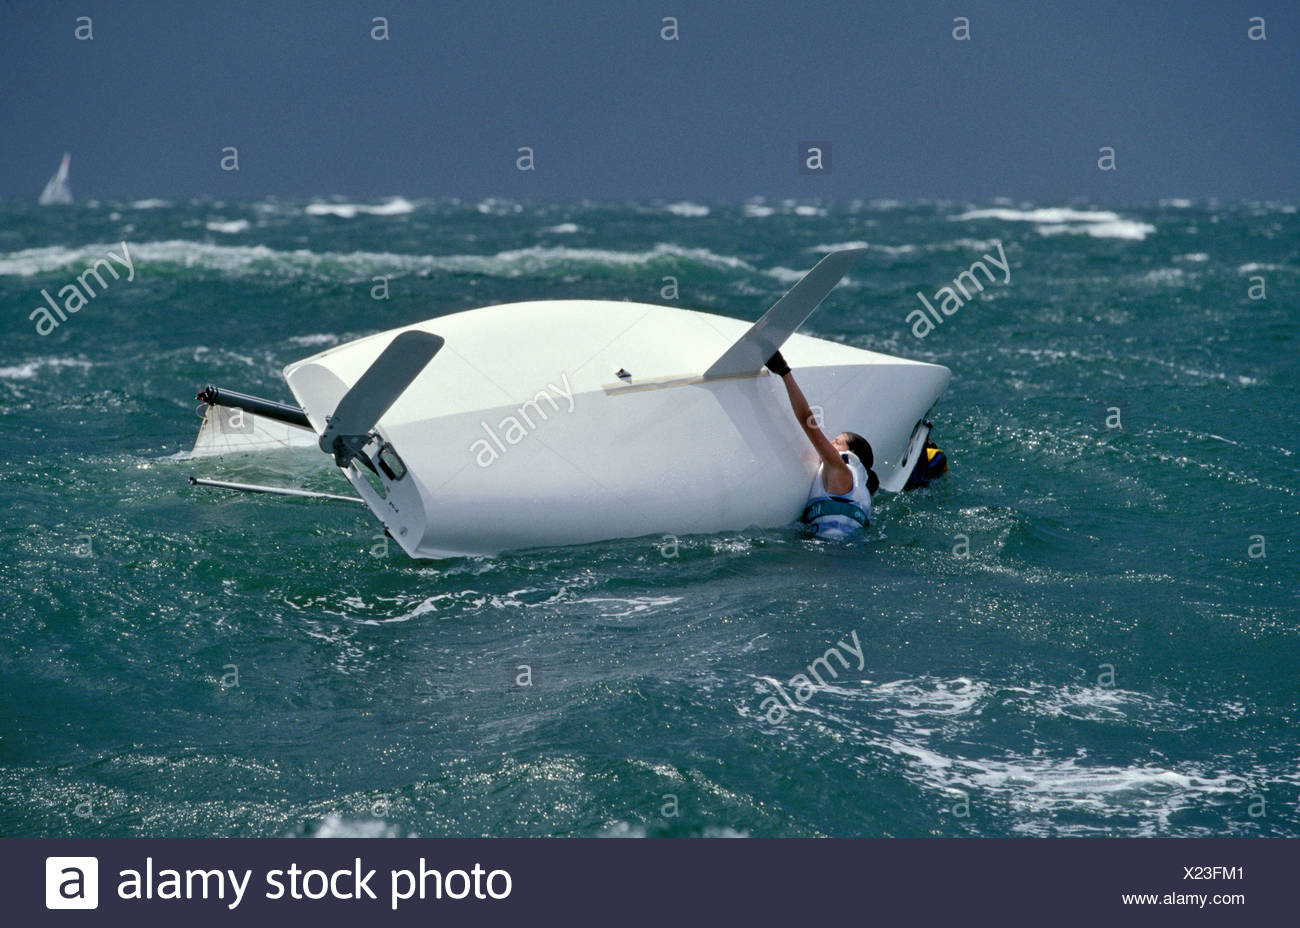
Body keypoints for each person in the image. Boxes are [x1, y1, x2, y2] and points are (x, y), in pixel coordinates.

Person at [766, 350, 879, 538]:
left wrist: (784, 372)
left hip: (830, 555)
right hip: (845, 555)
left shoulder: (840, 470)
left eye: (836, 442)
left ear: (849, 453)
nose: (829, 444)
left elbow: (806, 421)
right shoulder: (861, 491)